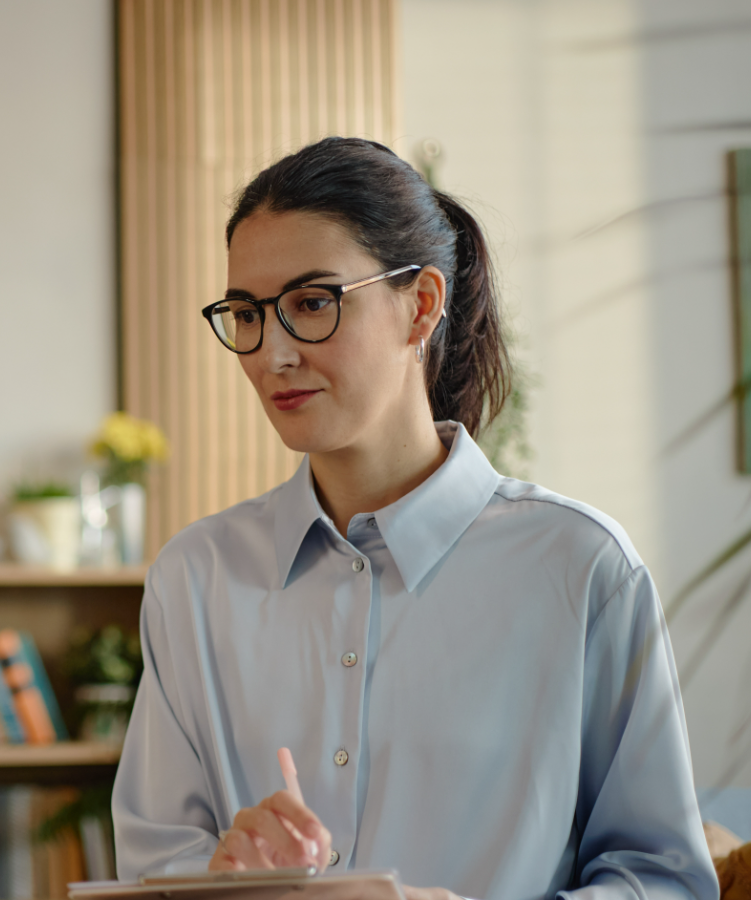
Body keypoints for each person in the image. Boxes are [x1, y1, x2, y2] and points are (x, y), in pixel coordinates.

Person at [110, 137, 717, 900]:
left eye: (311, 304)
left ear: (421, 304)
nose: (273, 354)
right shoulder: (194, 578)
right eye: (246, 314)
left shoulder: (579, 567)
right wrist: (223, 881)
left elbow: (665, 881)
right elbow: (154, 868)